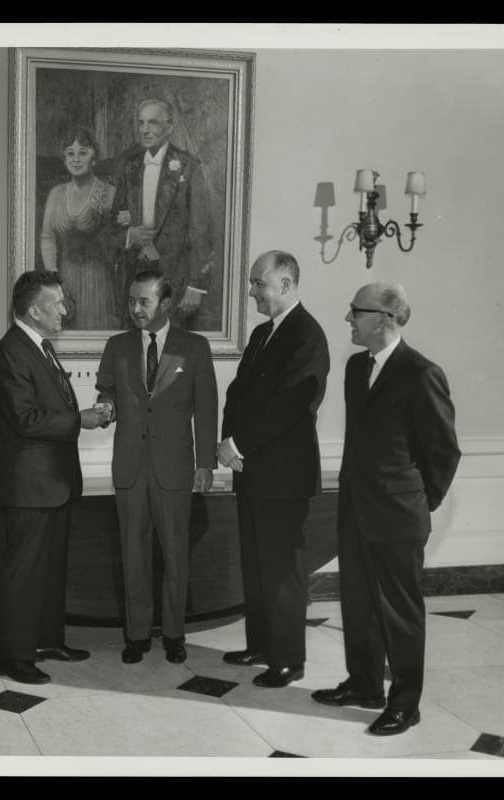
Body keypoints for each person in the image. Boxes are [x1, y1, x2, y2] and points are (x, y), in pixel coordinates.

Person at [312, 282, 460, 736]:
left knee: (400, 612)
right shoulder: (356, 368)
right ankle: (363, 685)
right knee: (357, 603)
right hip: (356, 509)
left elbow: (443, 453)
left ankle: (405, 703)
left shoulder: (421, 373)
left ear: (384, 318)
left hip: (398, 515)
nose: (348, 320)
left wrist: (417, 502)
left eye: (355, 312)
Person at [0, 270, 108, 684]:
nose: (64, 309)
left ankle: (46, 641)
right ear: (33, 309)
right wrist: (83, 420)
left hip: (53, 485)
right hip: (31, 487)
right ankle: (14, 656)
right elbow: (25, 419)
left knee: (51, 571)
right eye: (57, 303)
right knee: (23, 574)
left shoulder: (38, 347)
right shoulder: (10, 352)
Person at [217, 251, 330, 688]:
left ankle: (288, 659)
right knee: (257, 565)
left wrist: (238, 443)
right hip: (253, 470)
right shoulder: (265, 333)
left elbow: (291, 405)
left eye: (257, 283)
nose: (251, 292)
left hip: (284, 476)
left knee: (282, 570)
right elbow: (239, 393)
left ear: (285, 284)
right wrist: (228, 442)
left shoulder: (307, 335)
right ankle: (261, 645)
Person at [95, 270, 217, 663]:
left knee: (175, 553)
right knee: (133, 553)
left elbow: (207, 408)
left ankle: (175, 634)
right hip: (130, 468)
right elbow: (106, 390)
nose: (135, 309)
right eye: (131, 301)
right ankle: (137, 635)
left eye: (143, 302)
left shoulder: (194, 347)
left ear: (165, 304)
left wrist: (205, 463)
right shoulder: (117, 346)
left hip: (175, 469)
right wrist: (106, 406)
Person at [113, 98, 213, 328]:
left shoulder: (188, 166)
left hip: (174, 277)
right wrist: (129, 235)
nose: (145, 130)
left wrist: (196, 285)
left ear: (169, 128)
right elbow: (113, 223)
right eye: (141, 123)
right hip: (135, 275)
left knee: (171, 351)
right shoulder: (130, 167)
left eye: (153, 123)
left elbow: (202, 230)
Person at [39, 127, 120, 330]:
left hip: (97, 281)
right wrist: (55, 281)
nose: (76, 159)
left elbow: (118, 240)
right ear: (64, 158)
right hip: (64, 278)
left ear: (94, 157)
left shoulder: (108, 193)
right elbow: (47, 238)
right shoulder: (56, 194)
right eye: (70, 153)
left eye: (83, 152)